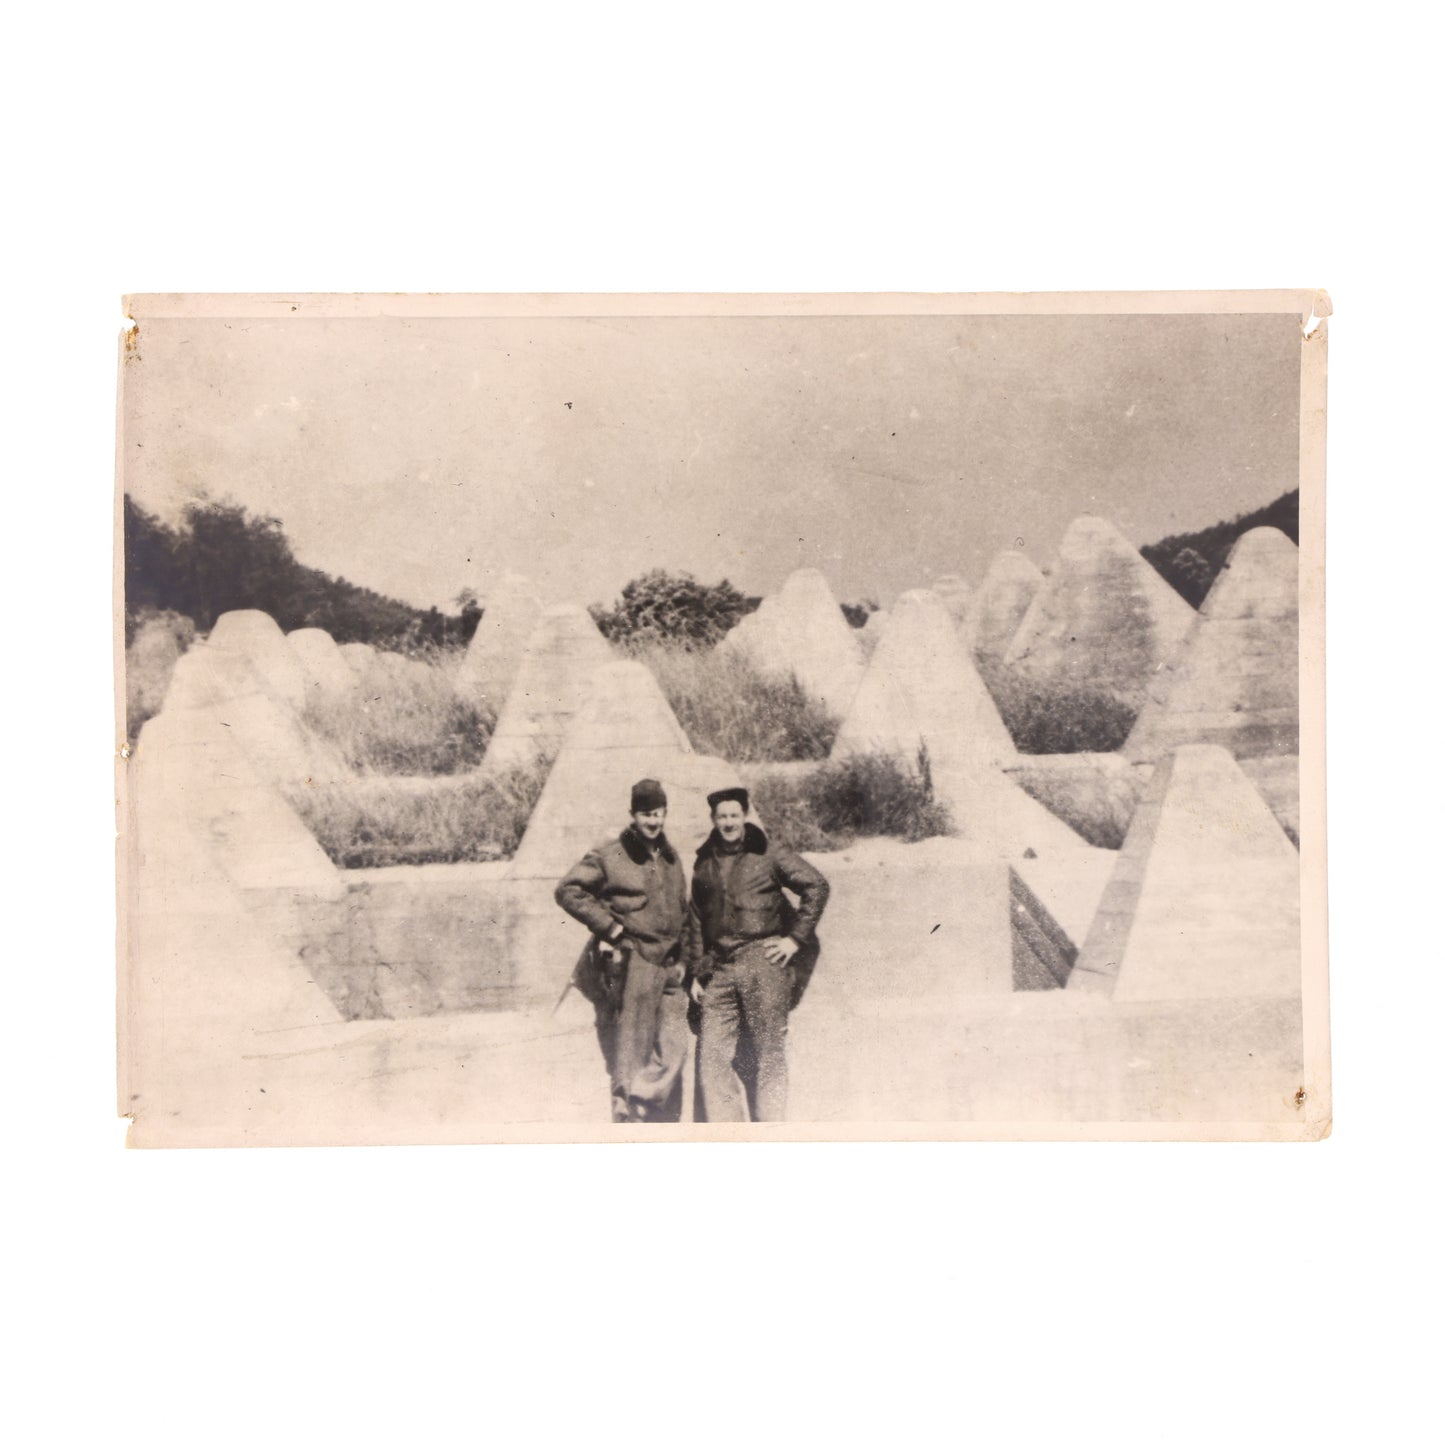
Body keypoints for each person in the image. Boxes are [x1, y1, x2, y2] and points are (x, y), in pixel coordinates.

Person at [554, 779, 694, 1123]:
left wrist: (686, 960)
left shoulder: (671, 857)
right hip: (635, 961)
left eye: (658, 814)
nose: (653, 821)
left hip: (670, 963)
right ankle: (629, 1116)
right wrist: (611, 928)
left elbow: (684, 910)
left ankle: (638, 1096)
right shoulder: (609, 853)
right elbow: (568, 890)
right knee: (632, 1048)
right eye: (646, 814)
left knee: (675, 1045)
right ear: (633, 815)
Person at [687, 787, 829, 1122]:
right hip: (719, 968)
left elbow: (816, 885)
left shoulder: (768, 853)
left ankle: (771, 1137)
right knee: (713, 1058)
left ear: (744, 816)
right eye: (722, 816)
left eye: (734, 815)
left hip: (764, 962)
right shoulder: (704, 862)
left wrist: (794, 939)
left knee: (769, 1057)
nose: (728, 822)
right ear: (713, 819)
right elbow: (695, 918)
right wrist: (696, 971)